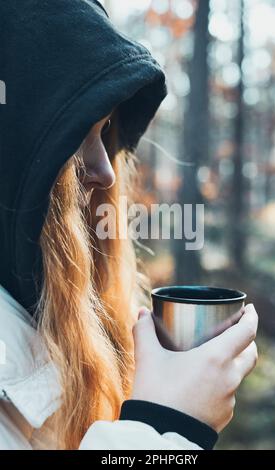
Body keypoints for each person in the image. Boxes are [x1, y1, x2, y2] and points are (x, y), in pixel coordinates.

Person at [0, 0, 258, 450]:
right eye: (77, 133)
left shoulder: (50, 321)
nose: (107, 172)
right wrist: (167, 425)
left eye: (105, 133)